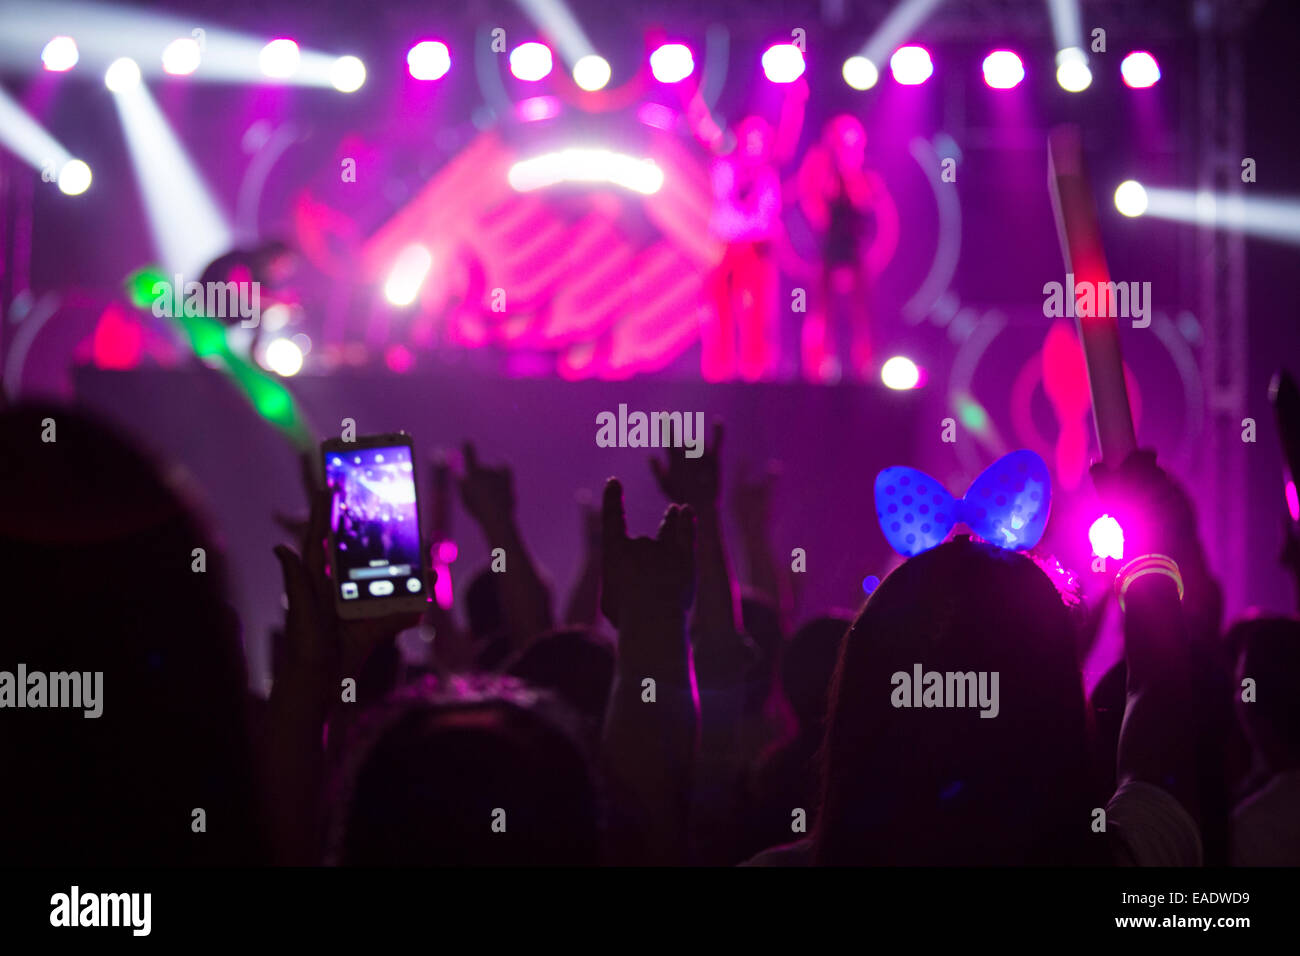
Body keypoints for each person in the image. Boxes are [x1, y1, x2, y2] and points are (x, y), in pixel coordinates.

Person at [795, 115, 898, 384]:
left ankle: (866, 370)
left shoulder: (865, 173)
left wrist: (851, 171)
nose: (850, 146)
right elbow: (813, 206)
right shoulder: (819, 167)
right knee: (820, 313)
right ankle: (818, 370)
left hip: (854, 249)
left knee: (862, 314)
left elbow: (866, 200)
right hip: (826, 248)